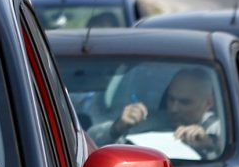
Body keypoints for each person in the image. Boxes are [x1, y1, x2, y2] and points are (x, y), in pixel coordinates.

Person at [93, 66, 222, 157]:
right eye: (171, 99)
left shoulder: (222, 131)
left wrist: (210, 145)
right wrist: (117, 127)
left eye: (184, 102)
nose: (174, 108)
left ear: (208, 104)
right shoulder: (149, 121)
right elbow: (90, 142)